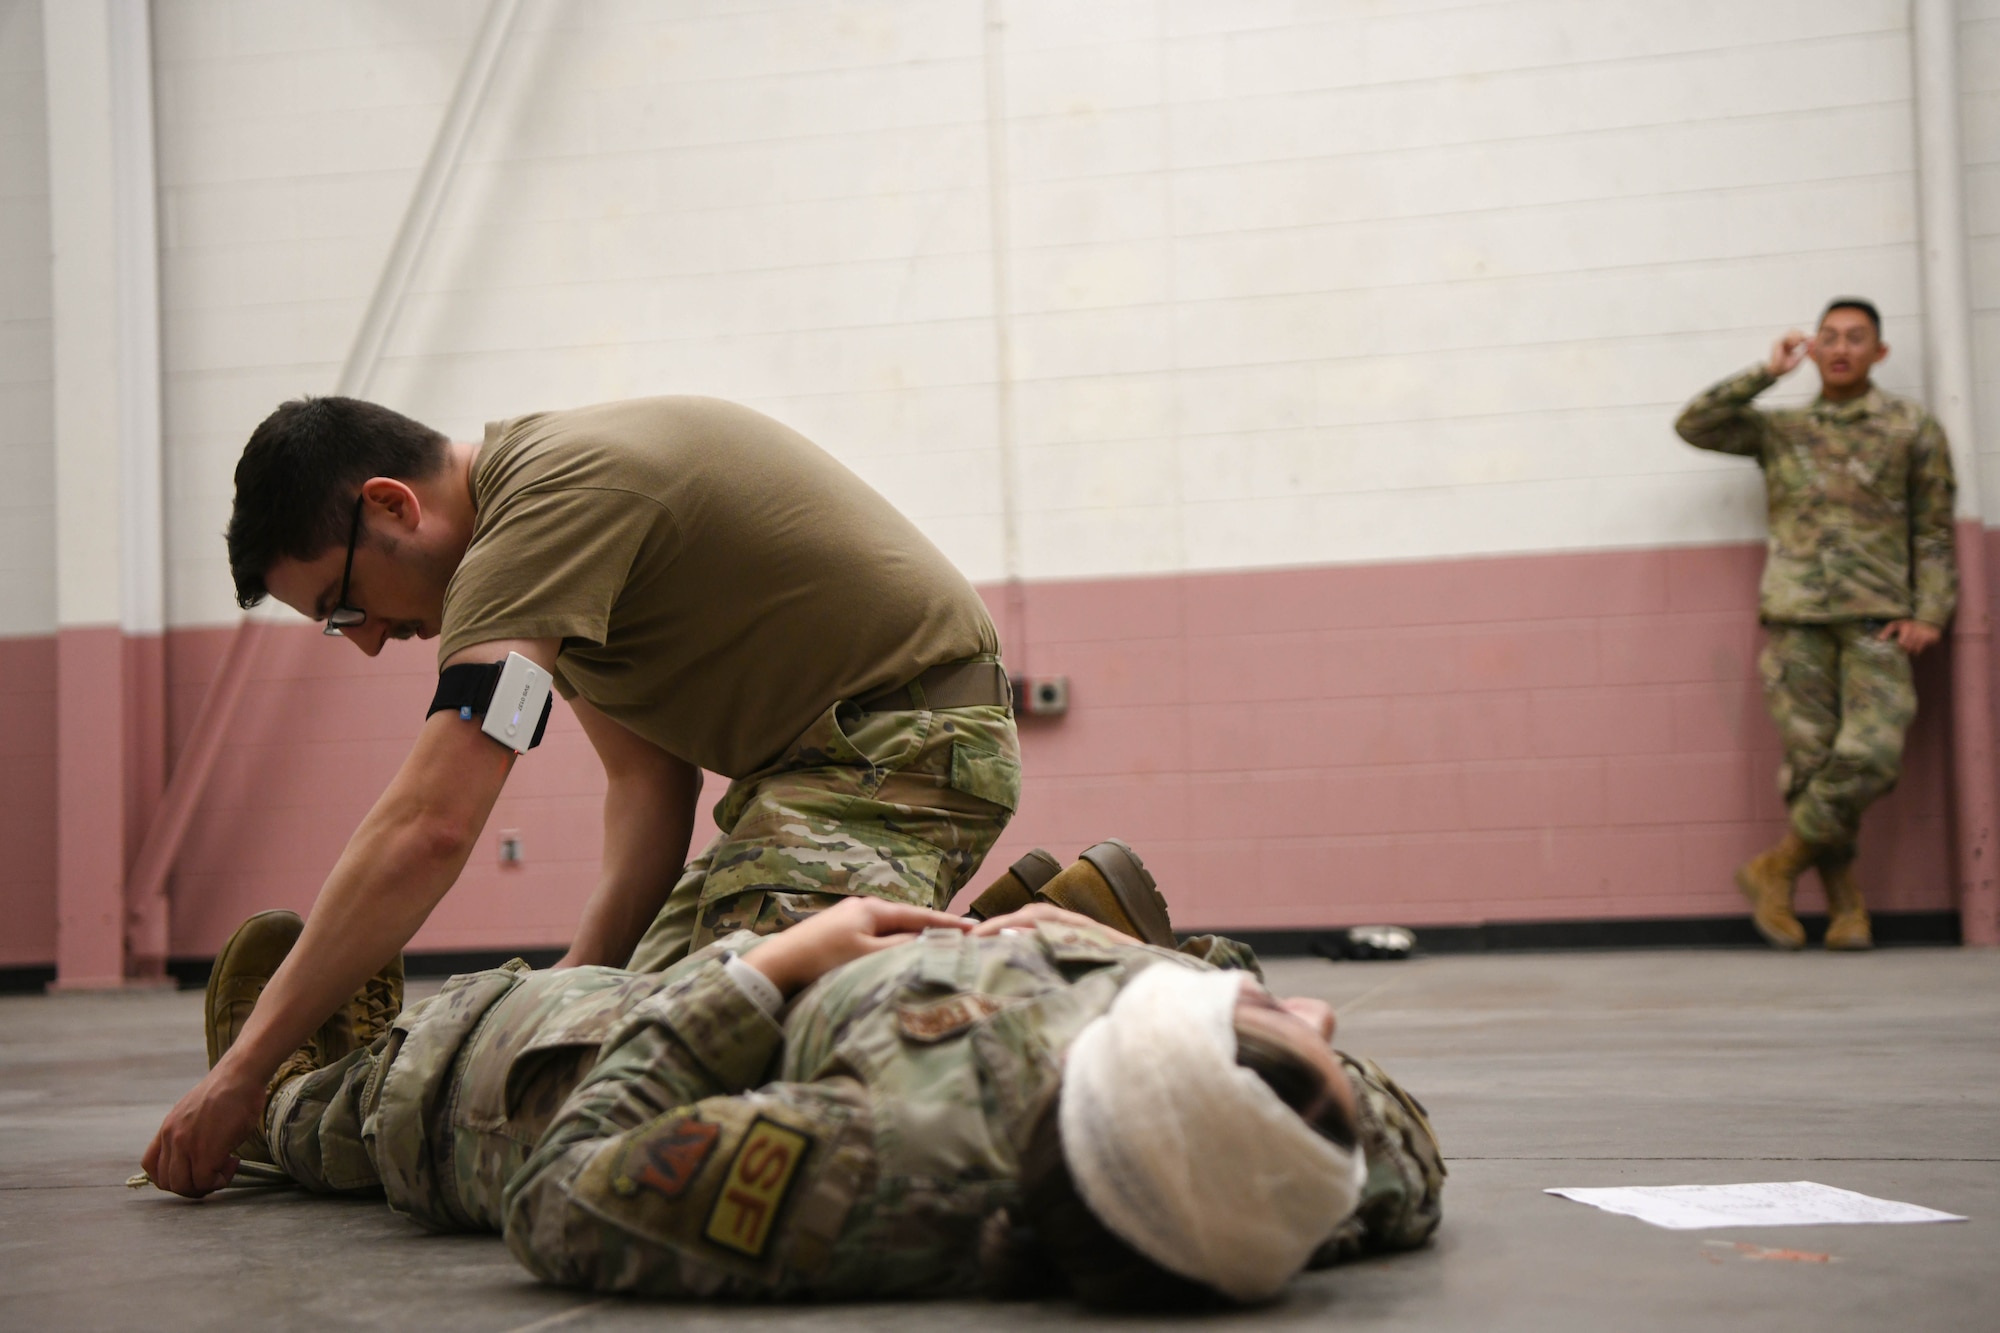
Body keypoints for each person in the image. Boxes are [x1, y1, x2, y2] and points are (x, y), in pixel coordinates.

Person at [146, 394, 1019, 1197]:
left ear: (391, 505)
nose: (369, 644)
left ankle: (286, 1108)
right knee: (604, 1047)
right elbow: (649, 782)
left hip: (893, 757)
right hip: (843, 768)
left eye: (343, 608)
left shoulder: (533, 523)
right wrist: (579, 983)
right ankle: (1028, 949)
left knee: (654, 1087)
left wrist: (242, 1072)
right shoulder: (552, 512)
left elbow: (431, 826)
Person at [161, 897, 1445, 1309]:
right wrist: (1147, 967)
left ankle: (295, 1095)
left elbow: (562, 1199)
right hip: (909, 981)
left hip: (732, 1040)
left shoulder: (872, 1163)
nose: (1315, 1012)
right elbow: (1388, 1140)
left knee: (488, 1058)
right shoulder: (1290, 1179)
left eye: (1270, 1021)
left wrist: (760, 972)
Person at [1674, 298, 1957, 951]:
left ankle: (1776, 866)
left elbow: (1935, 528)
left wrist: (1931, 612)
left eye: (1856, 338)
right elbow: (1696, 424)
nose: (1840, 347)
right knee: (1813, 764)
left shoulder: (1910, 427)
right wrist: (1765, 372)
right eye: (1828, 336)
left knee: (1869, 756)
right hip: (1796, 616)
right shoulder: (1785, 430)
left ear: (1878, 352)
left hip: (1877, 620)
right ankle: (1847, 908)